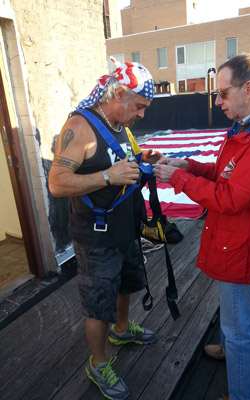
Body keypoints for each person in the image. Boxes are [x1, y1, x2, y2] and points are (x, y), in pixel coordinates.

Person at [153, 53, 250, 400]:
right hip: (235, 239)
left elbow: (231, 197)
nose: (217, 101)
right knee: (238, 317)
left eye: (222, 93)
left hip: (242, 244)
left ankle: (244, 392)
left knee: (240, 329)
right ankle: (233, 350)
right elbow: (226, 173)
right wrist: (187, 164)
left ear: (248, 89)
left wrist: (179, 179)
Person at [49, 60, 162, 400]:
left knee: (126, 284)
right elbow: (56, 183)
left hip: (124, 228)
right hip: (94, 238)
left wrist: (147, 161)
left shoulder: (118, 125)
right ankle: (98, 363)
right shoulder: (81, 126)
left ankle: (123, 329)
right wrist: (107, 177)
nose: (142, 115)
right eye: (139, 107)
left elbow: (125, 161)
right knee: (99, 304)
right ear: (120, 94)